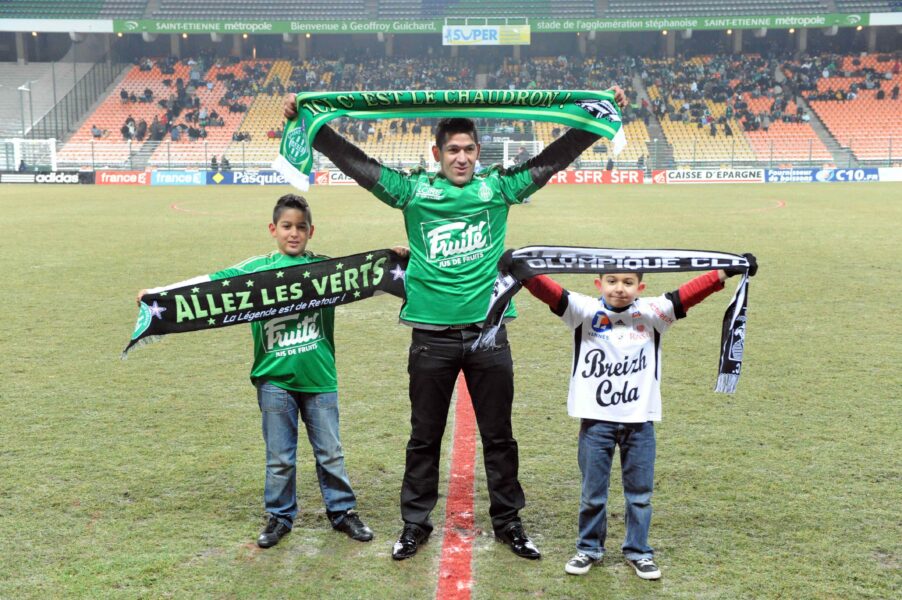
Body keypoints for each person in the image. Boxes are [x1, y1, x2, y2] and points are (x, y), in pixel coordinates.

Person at [283, 86, 629, 561]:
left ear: (478, 152)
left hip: (489, 336)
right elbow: (357, 165)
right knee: (423, 436)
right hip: (431, 338)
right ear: (437, 153)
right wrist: (312, 125)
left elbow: (555, 157)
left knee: (499, 436)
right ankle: (414, 524)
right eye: (452, 150)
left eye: (469, 149)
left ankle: (508, 522)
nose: (461, 158)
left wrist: (598, 118)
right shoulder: (412, 192)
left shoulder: (500, 188)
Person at [136, 195, 376, 549]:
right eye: (286, 227)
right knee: (279, 457)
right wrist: (158, 294)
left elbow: (370, 272)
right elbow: (208, 284)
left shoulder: (327, 269)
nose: (293, 233)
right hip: (274, 379)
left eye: (300, 227)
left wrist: (394, 258)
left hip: (320, 377)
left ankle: (343, 513)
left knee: (331, 452)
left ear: (311, 231)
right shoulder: (255, 270)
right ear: (273, 229)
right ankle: (279, 516)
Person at [500, 255, 756, 580]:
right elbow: (552, 293)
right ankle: (588, 549)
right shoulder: (583, 311)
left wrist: (724, 272)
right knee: (593, 493)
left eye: (628, 282)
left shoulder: (652, 312)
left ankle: (639, 551)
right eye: (612, 281)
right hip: (595, 423)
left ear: (640, 287)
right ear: (599, 283)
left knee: (640, 495)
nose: (619, 289)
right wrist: (524, 271)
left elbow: (688, 294)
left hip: (640, 422)